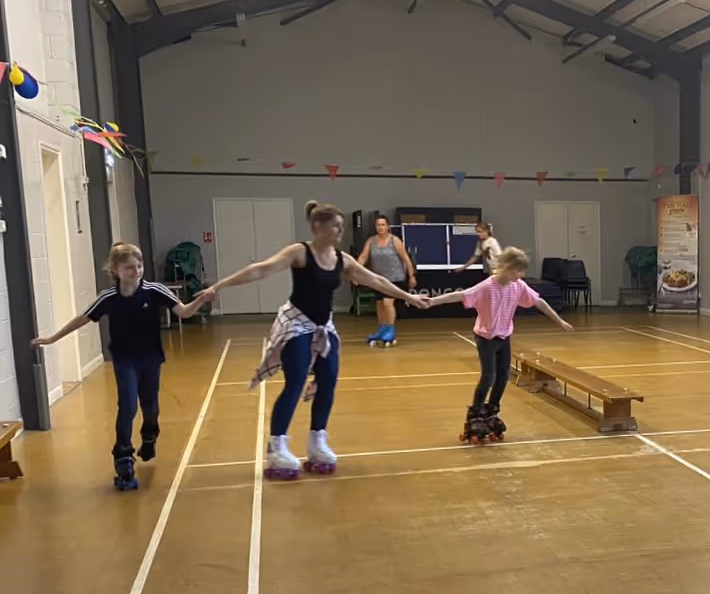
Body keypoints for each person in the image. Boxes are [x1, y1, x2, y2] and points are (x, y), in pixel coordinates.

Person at [200, 201, 429, 479]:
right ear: (318, 227)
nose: (340, 231)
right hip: (296, 324)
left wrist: (408, 297)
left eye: (342, 226)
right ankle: (277, 446)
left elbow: (376, 281)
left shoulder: (342, 259)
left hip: (323, 326)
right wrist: (218, 286)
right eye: (336, 226)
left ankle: (317, 441)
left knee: (328, 380)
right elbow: (260, 269)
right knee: (295, 383)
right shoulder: (300, 252)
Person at [31, 242, 212, 491]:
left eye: (139, 266)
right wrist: (53, 338)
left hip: (150, 358)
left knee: (150, 408)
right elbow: (82, 319)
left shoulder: (155, 291)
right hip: (125, 359)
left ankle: (149, 436)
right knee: (127, 405)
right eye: (129, 267)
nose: (136, 271)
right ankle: (123, 456)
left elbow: (184, 312)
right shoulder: (109, 298)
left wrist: (200, 300)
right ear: (116, 270)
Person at [428, 247, 572, 443]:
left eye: (522, 271)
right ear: (506, 266)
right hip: (485, 337)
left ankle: (491, 411)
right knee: (489, 376)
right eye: (517, 270)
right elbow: (461, 295)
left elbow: (539, 302)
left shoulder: (518, 286)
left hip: (504, 337)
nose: (521, 275)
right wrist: (431, 301)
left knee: (503, 376)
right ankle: (475, 414)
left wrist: (559, 321)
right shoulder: (487, 286)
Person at [356, 214, 416, 347]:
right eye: (378, 225)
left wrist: (411, 275)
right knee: (380, 304)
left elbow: (406, 259)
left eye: (383, 225)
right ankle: (382, 329)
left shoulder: (395, 241)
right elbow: (363, 257)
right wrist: (356, 273)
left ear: (388, 226)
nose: (380, 227)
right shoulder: (371, 241)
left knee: (388, 303)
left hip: (395, 278)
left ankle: (390, 330)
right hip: (378, 279)